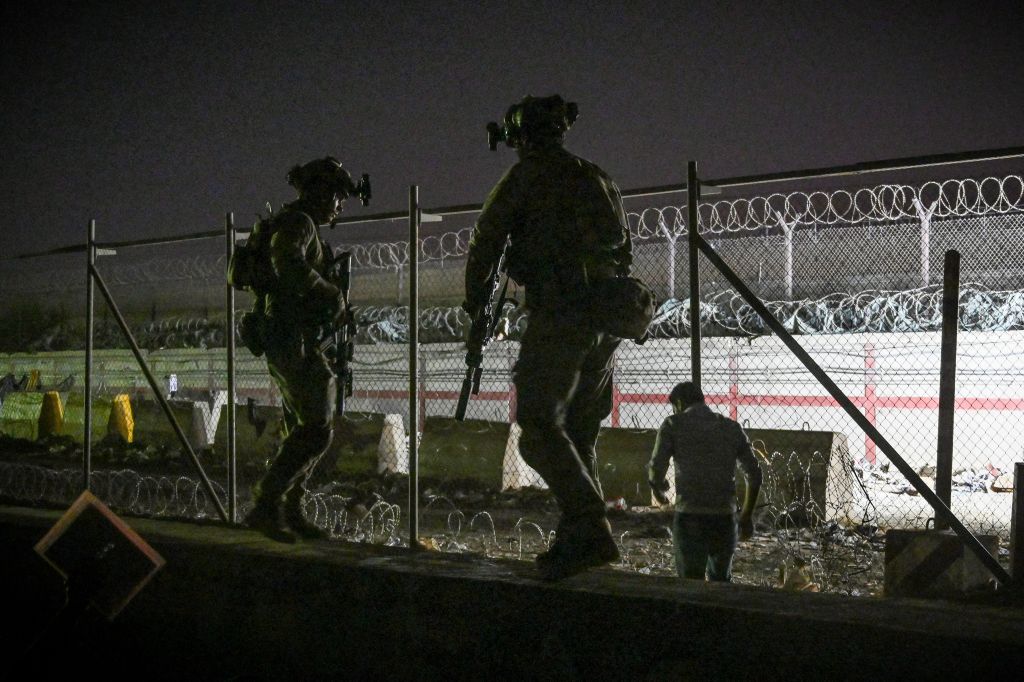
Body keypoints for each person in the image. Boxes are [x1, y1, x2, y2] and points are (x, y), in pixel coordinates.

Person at [464, 95, 633, 580]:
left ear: (519, 137)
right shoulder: (596, 176)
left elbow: (485, 243)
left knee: (538, 430)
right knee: (578, 433)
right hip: (604, 318)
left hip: (561, 316)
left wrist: (477, 308)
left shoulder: (525, 177)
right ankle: (578, 541)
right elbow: (622, 248)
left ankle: (590, 526)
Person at [233, 156, 358, 543]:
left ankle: (289, 508)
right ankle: (267, 503)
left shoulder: (295, 222)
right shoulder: (299, 223)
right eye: (337, 196)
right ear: (320, 192)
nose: (340, 205)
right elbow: (287, 262)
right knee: (318, 426)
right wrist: (330, 292)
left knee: (297, 425)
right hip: (291, 337)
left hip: (291, 335)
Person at [648, 381, 763, 582]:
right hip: (724, 518)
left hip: (690, 516)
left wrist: (659, 490)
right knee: (721, 583)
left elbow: (656, 469)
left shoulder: (673, 424)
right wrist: (746, 515)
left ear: (680, 402)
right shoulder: (731, 427)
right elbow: (754, 474)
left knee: (690, 584)